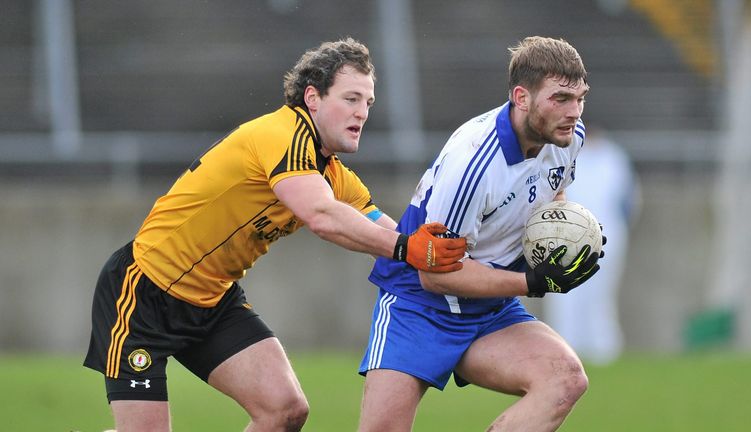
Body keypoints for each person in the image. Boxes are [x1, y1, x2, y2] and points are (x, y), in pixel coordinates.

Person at [83, 38, 467, 432]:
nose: (362, 113)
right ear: (313, 98)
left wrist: (455, 258)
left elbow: (385, 234)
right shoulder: (284, 134)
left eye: (368, 102)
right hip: (143, 293)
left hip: (213, 301)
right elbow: (322, 216)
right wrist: (408, 248)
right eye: (351, 99)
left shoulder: (333, 174)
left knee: (284, 411)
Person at [357, 36, 602, 432]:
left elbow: (553, 193)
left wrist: (569, 236)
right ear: (522, 97)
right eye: (560, 98)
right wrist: (531, 282)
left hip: (488, 308)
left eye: (580, 98)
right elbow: (434, 274)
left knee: (565, 379)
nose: (574, 112)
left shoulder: (569, 138)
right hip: (418, 305)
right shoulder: (473, 163)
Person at [543, 127, 639, 365]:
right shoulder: (560, 155)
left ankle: (603, 350)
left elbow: (628, 203)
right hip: (564, 237)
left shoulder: (614, 159)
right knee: (563, 295)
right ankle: (564, 349)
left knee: (599, 295)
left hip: (607, 236)